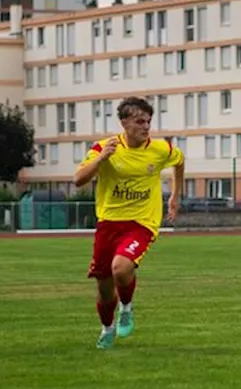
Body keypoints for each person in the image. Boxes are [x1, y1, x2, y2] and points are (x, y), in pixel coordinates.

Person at [73, 96, 184, 349]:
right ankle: (107, 328)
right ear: (124, 123)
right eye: (139, 121)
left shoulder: (160, 149)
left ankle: (126, 307)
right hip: (108, 223)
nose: (146, 127)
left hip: (141, 222)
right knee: (103, 288)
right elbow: (78, 179)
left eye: (148, 121)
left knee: (121, 268)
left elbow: (179, 162)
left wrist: (175, 196)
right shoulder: (104, 148)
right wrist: (101, 160)